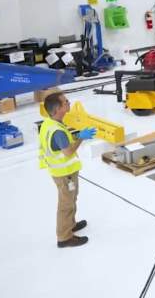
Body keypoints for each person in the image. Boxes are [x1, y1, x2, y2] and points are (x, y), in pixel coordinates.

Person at [39, 92, 96, 248]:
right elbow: (68, 151)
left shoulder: (50, 123)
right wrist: (82, 137)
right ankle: (64, 237)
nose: (69, 103)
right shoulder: (57, 131)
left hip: (62, 172)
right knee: (66, 204)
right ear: (58, 109)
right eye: (66, 102)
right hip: (64, 174)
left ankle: (70, 224)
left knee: (71, 199)